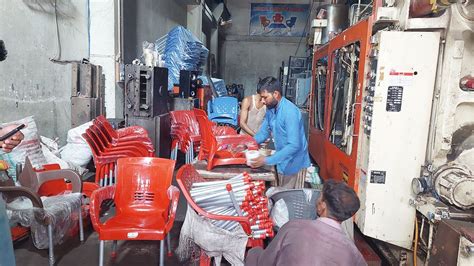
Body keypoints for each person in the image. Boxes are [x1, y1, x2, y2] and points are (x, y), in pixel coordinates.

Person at [245, 179, 366, 266]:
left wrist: (253, 253)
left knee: (254, 253)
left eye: (320, 196)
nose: (317, 200)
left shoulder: (293, 227)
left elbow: (265, 261)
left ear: (323, 205)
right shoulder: (353, 253)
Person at [248, 76, 310, 188]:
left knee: (287, 199)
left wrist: (267, 160)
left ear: (276, 94)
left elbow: (294, 145)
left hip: (294, 163)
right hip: (281, 158)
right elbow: (263, 133)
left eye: (264, 97)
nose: (262, 101)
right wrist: (247, 143)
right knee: (279, 192)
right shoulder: (271, 109)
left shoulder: (289, 112)